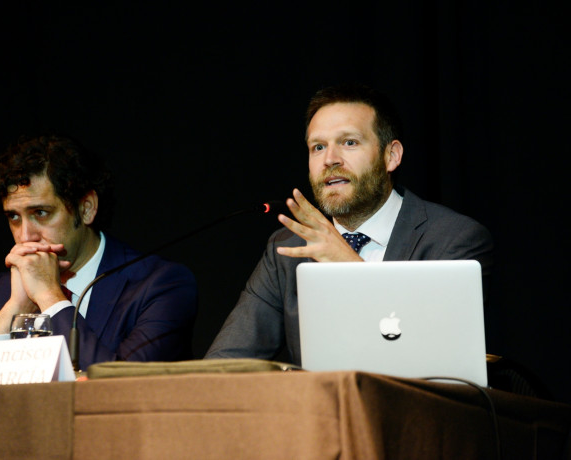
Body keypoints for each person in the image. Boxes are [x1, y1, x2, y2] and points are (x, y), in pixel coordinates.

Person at [205, 83, 494, 366]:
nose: (330, 159)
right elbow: (224, 365)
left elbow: (436, 363)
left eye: (349, 142)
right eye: (318, 147)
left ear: (391, 156)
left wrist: (347, 266)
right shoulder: (288, 247)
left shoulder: (453, 239)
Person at [0, 134, 198, 371]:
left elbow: (120, 389)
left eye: (40, 212)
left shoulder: (161, 285)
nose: (25, 236)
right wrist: (13, 310)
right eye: (13, 217)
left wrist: (50, 296)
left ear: (86, 208)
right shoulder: (7, 289)